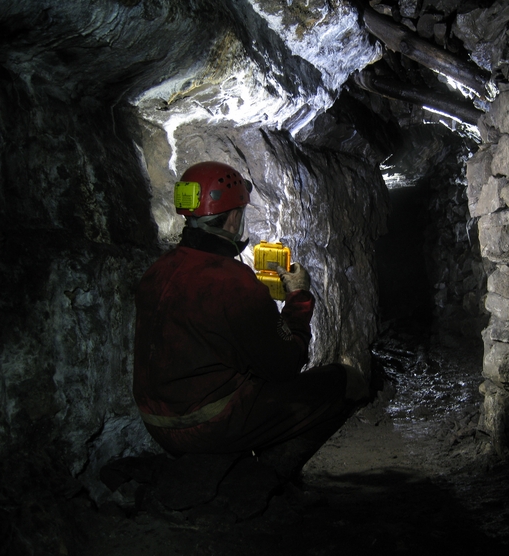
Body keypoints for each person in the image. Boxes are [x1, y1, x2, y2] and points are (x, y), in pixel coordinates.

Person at [132, 160, 367, 478]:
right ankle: (263, 479)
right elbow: (285, 365)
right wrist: (298, 298)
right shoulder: (232, 281)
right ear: (231, 218)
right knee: (346, 382)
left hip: (157, 424)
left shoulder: (158, 271)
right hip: (209, 425)